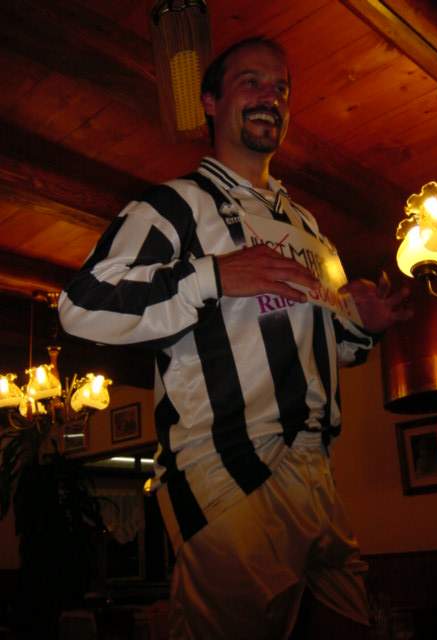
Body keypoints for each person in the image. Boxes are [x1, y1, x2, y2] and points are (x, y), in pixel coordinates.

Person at [59, 36, 410, 640]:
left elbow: (325, 345)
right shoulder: (176, 205)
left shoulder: (309, 228)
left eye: (281, 88)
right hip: (231, 469)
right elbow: (83, 304)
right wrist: (215, 275)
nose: (270, 96)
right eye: (251, 81)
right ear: (210, 102)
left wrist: (359, 324)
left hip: (318, 474)